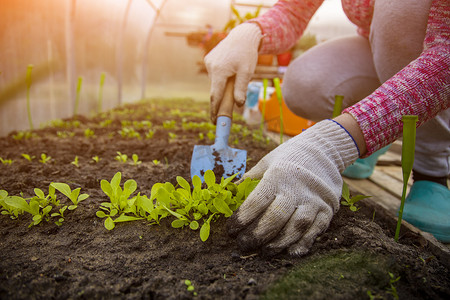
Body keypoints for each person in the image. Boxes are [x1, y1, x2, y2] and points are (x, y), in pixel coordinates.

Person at [204, 0, 449, 256]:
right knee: (305, 81)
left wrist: (329, 144)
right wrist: (250, 33)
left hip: (437, 57)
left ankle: (431, 171)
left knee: (401, 8)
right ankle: (379, 128)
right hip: (374, 49)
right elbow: (294, 9)